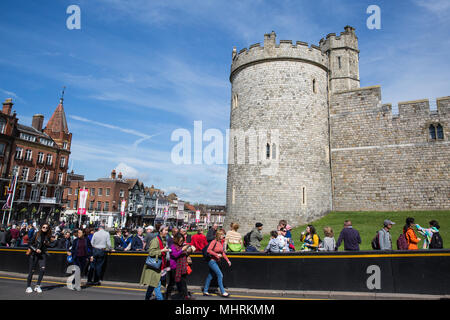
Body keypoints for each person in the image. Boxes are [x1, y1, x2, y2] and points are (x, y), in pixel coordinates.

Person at [140, 225, 170, 300]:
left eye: (167, 230)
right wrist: (162, 251)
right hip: (155, 266)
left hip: (160, 266)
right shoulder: (155, 240)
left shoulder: (164, 240)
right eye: (165, 230)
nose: (167, 232)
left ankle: (147, 298)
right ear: (160, 231)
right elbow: (151, 252)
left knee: (152, 285)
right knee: (156, 285)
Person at [25, 223, 56, 293]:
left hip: (42, 255)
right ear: (41, 227)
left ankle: (37, 286)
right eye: (43, 227)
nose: (44, 228)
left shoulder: (48, 236)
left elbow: (48, 245)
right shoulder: (37, 234)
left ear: (48, 229)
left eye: (46, 227)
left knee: (42, 269)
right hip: (34, 254)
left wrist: (53, 242)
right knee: (32, 271)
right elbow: (29, 243)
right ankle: (28, 286)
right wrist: (35, 249)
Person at [203, 229, 231, 297]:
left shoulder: (220, 242)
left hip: (216, 261)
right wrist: (216, 254)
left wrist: (227, 260)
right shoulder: (214, 242)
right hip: (212, 261)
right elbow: (208, 250)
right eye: (222, 235)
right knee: (220, 275)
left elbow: (222, 253)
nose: (223, 236)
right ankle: (223, 292)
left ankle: (205, 291)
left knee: (210, 276)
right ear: (219, 235)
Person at [169, 233, 195, 300]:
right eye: (180, 241)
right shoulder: (173, 246)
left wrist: (190, 249)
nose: (181, 242)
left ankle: (184, 296)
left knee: (182, 283)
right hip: (175, 267)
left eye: (182, 241)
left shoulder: (182, 246)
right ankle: (168, 295)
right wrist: (182, 250)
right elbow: (175, 255)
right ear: (176, 240)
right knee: (173, 283)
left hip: (182, 267)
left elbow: (186, 253)